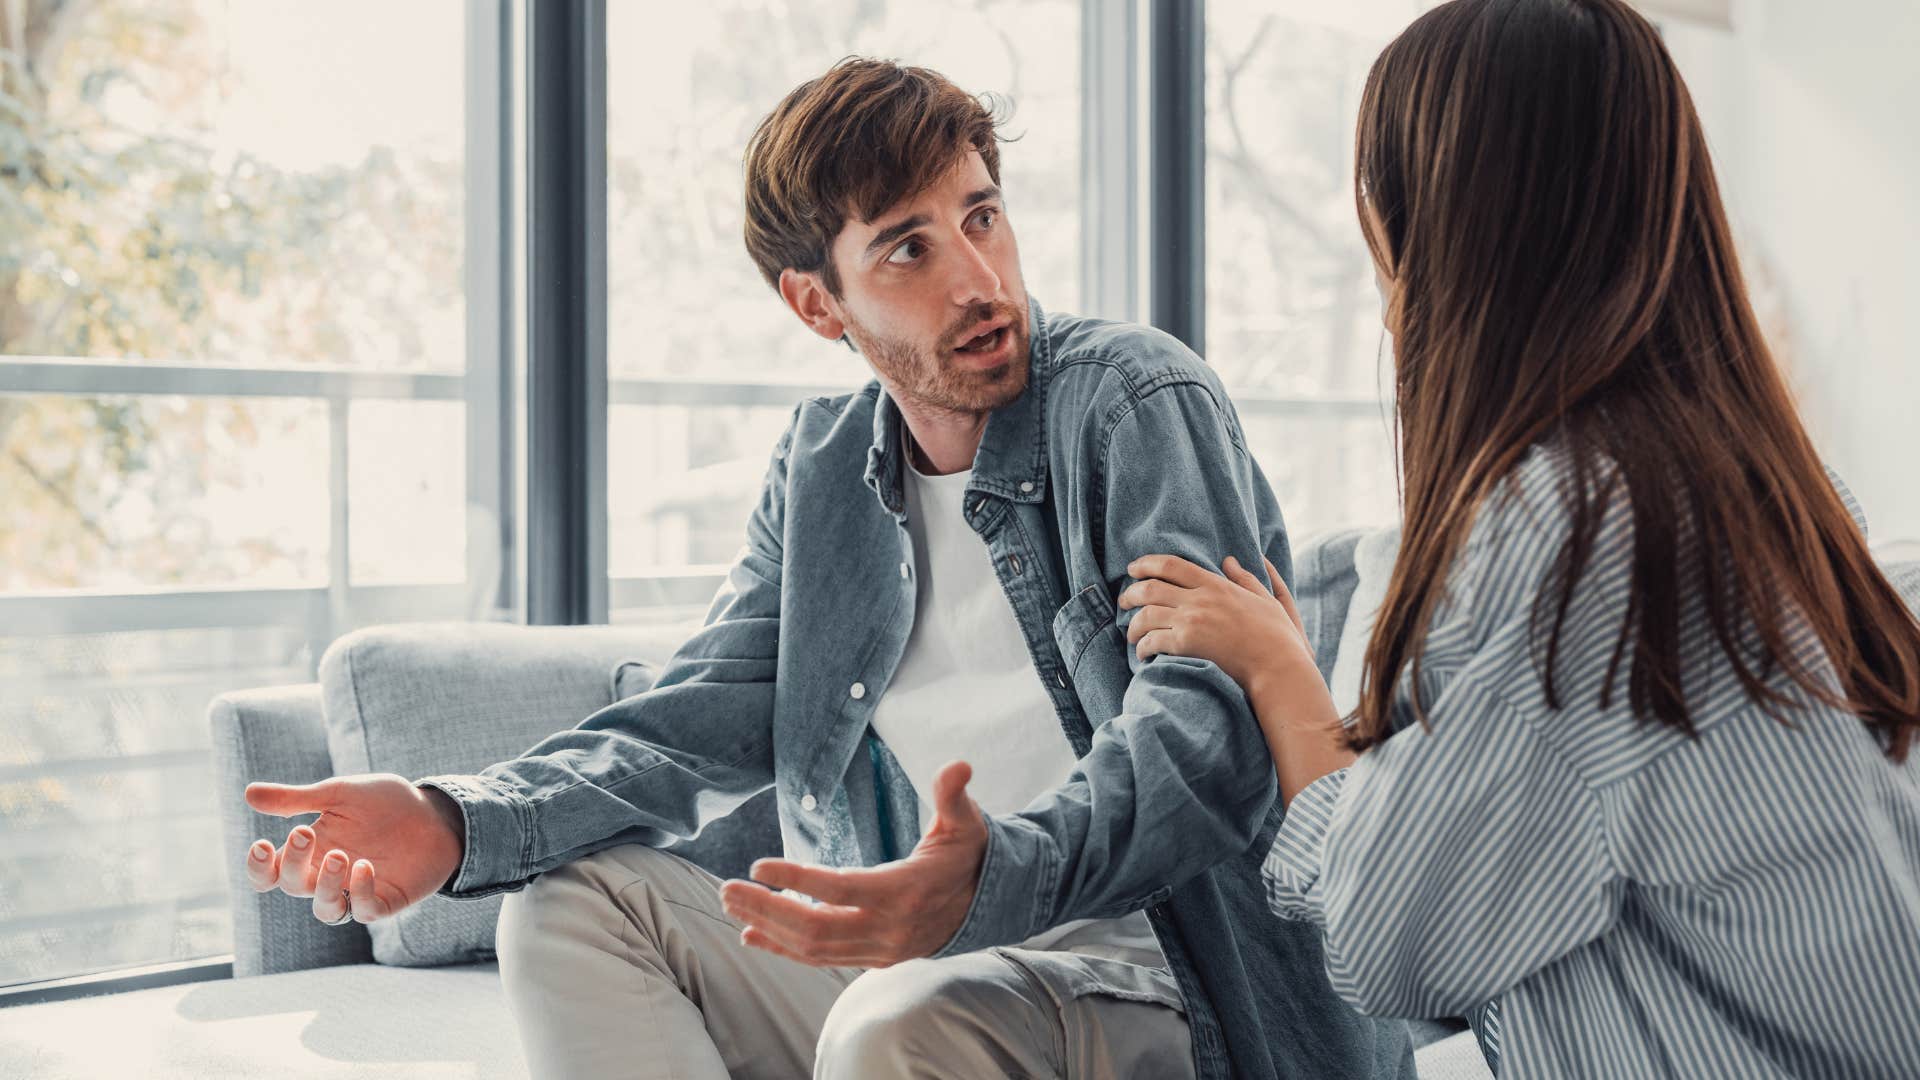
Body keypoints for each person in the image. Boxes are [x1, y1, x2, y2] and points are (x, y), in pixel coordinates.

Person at [239, 58, 1412, 1080]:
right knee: (570, 913)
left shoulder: (1131, 401)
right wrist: (455, 817)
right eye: (909, 246)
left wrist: (988, 880)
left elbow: (1203, 745)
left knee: (895, 1025)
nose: (978, 280)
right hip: (955, 951)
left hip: (1177, 978)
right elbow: (686, 727)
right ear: (817, 302)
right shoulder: (822, 472)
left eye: (983, 216)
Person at [1121, 1, 1920, 1076]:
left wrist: (1275, 670)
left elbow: (1388, 936)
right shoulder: (1759, 490)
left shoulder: (1583, 545)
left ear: (1440, 231)